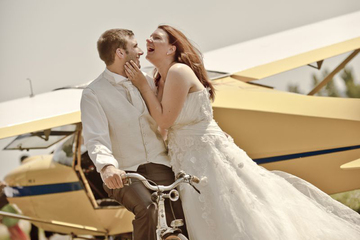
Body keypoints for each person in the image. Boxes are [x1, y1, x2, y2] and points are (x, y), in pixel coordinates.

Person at [125, 25, 360, 240]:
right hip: (185, 159)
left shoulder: (178, 71)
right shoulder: (160, 79)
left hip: (206, 155)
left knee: (234, 211)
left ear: (171, 48)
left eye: (156, 37)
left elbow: (165, 119)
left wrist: (142, 86)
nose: (149, 40)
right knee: (209, 215)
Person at [80, 28, 188, 240]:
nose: (141, 52)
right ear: (120, 53)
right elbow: (95, 138)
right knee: (148, 208)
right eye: (135, 46)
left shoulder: (147, 81)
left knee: (181, 216)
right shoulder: (93, 94)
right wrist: (108, 167)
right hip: (124, 172)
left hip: (160, 163)